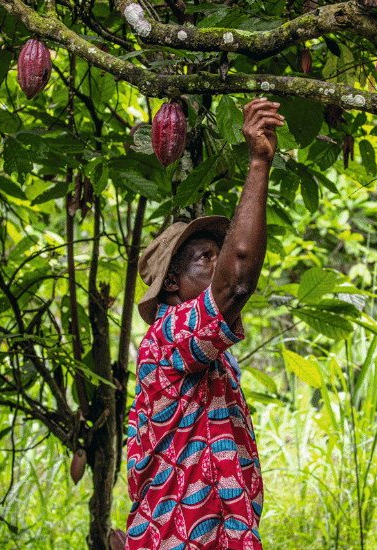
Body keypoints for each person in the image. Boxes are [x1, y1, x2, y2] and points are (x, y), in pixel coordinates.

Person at [126, 97, 284, 550]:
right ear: (171, 283)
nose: (217, 268)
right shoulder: (169, 335)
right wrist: (257, 163)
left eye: (219, 255)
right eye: (205, 259)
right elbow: (235, 285)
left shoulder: (211, 354)